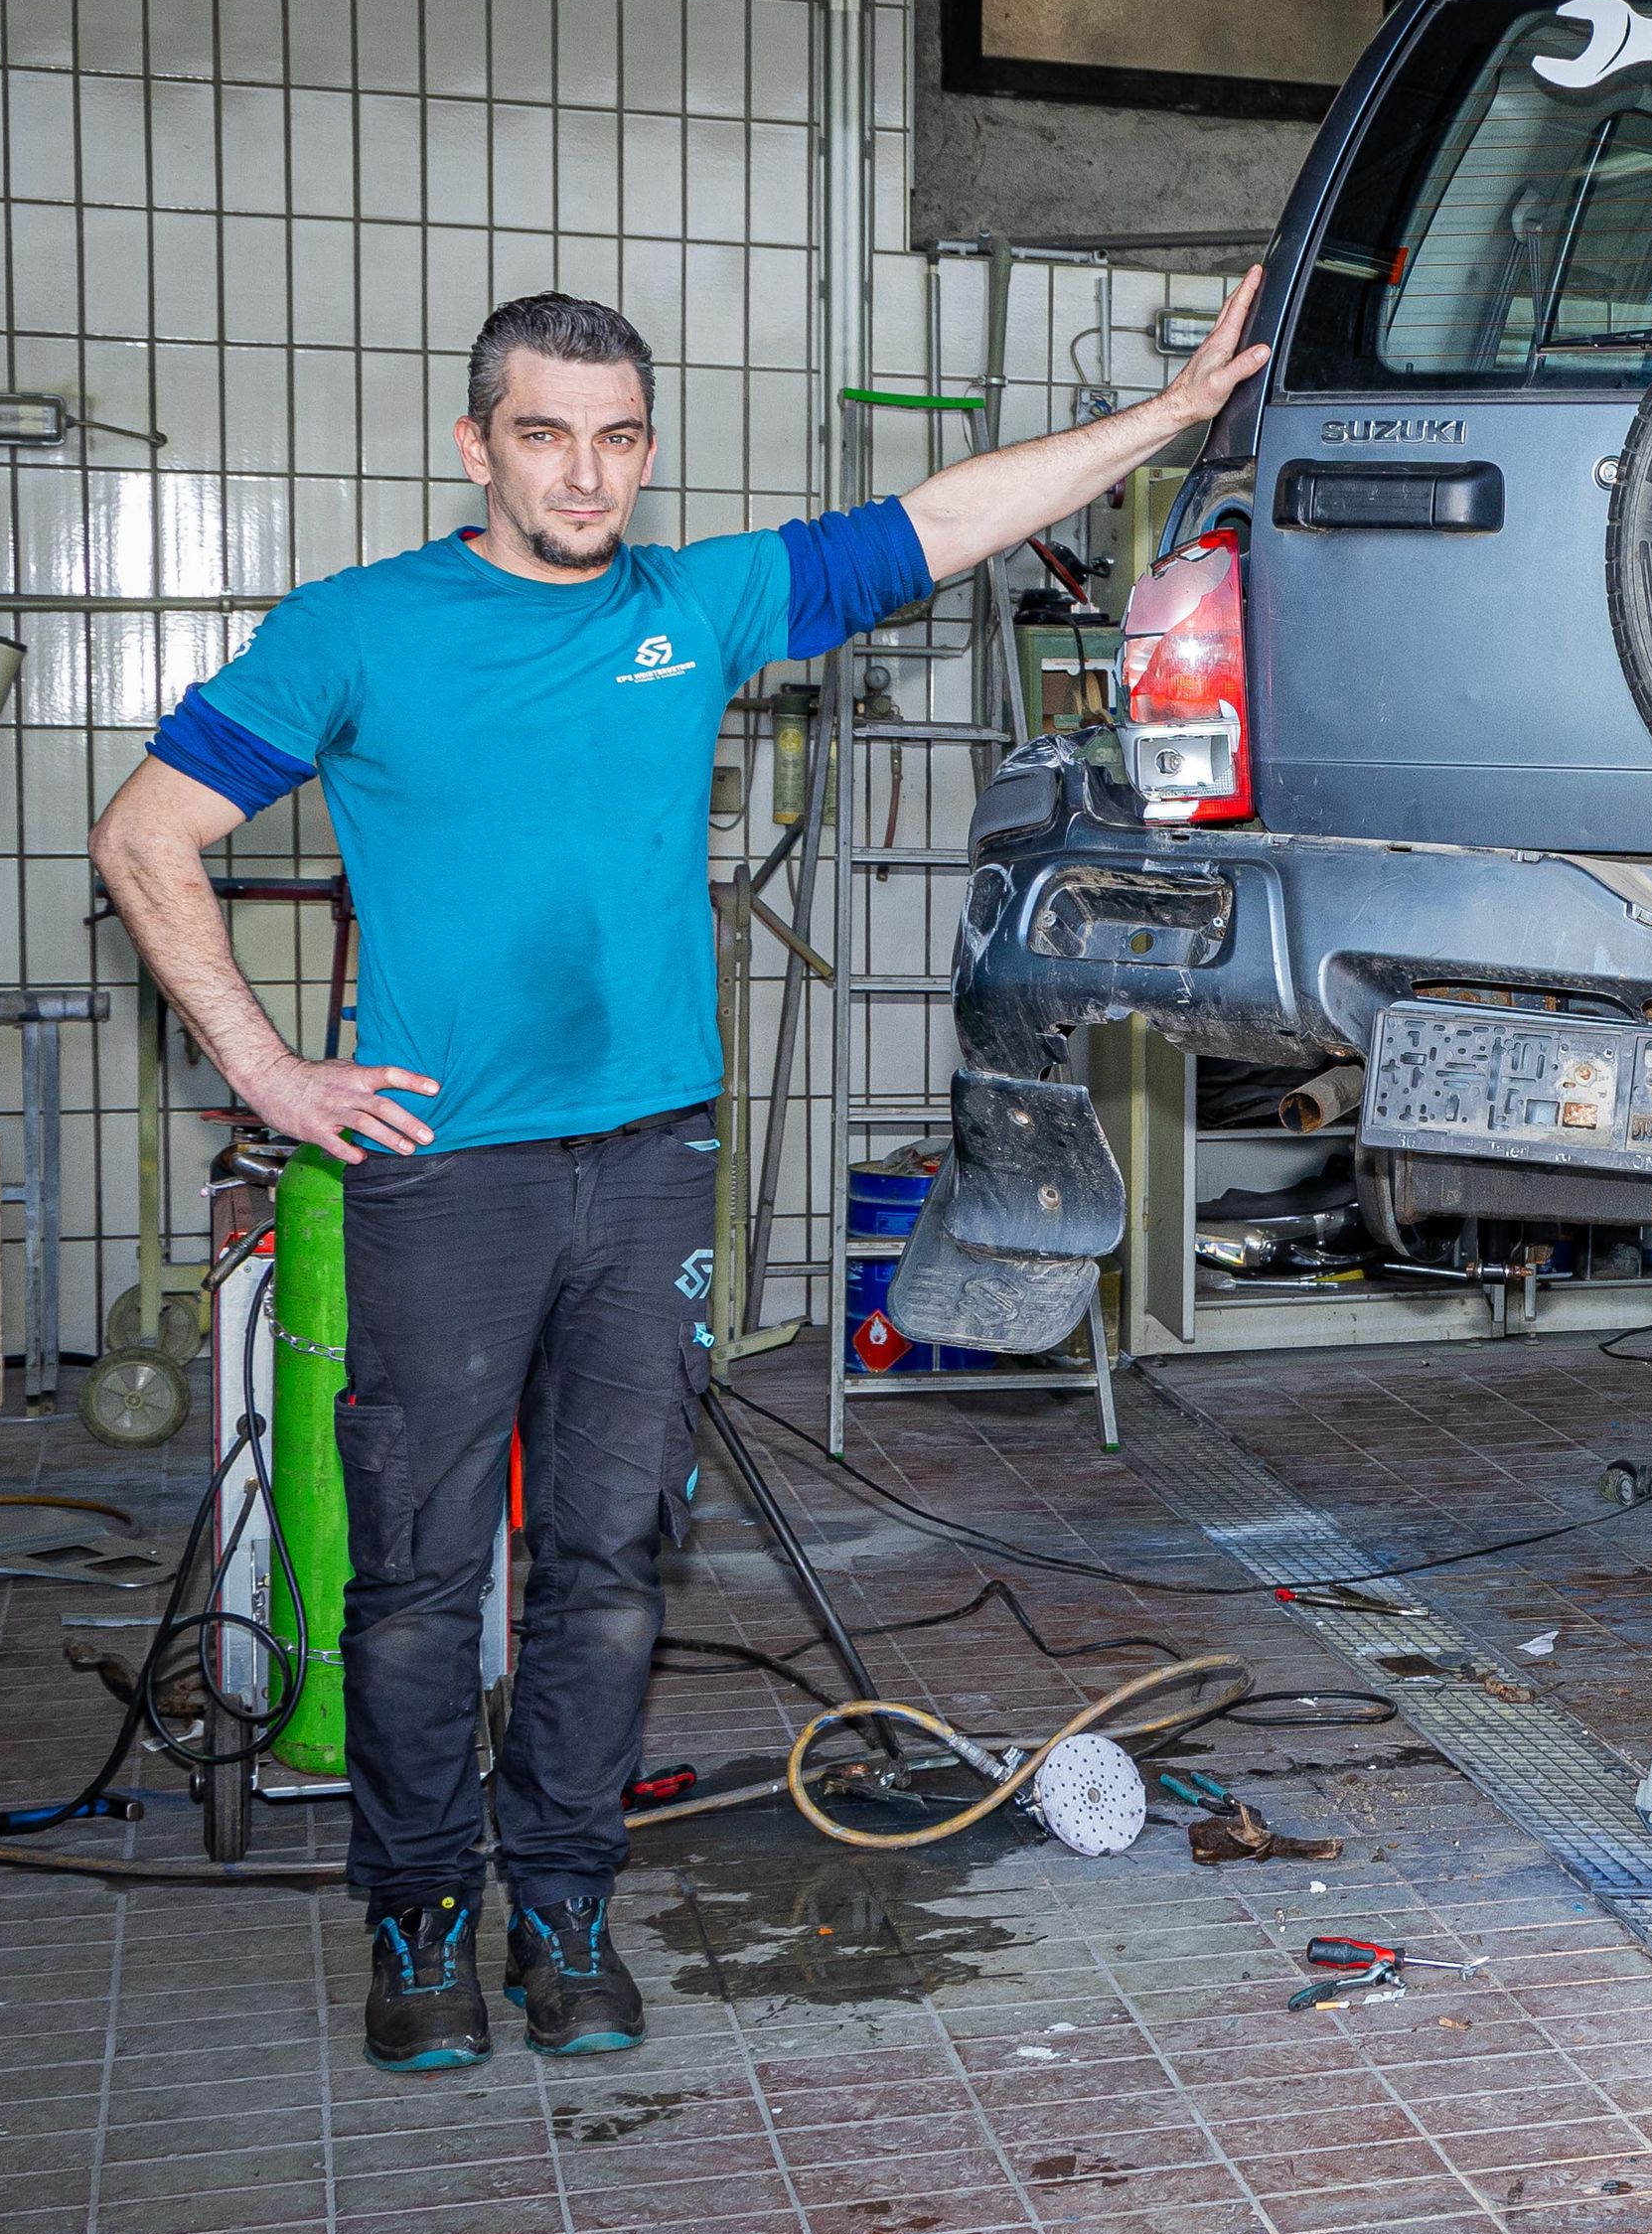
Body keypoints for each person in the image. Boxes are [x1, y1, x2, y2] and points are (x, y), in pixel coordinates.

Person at [90, 282, 1269, 2071]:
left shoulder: (692, 606)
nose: (586, 472)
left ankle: (563, 1906)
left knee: (611, 1564)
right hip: (445, 1174)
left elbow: (939, 519)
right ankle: (419, 1923)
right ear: (474, 442)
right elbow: (144, 830)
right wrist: (266, 1071)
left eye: (619, 437)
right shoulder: (356, 632)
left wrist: (1170, 417)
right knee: (413, 1581)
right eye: (546, 434)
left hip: (649, 1166)